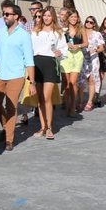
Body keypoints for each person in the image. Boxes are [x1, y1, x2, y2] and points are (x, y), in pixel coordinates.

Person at [0, 3, 36, 152]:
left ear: (16, 16)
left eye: (7, 14)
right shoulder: (1, 32)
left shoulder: (24, 35)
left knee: (11, 106)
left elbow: (29, 60)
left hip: (16, 76)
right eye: (4, 14)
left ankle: (9, 139)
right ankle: (6, 127)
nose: (4, 16)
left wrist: (32, 82)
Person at [30, 7, 67, 140]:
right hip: (37, 63)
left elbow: (64, 49)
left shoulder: (58, 32)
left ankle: (50, 127)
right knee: (40, 99)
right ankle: (42, 127)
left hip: (50, 64)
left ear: (53, 17)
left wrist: (60, 53)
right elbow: (30, 49)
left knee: (47, 97)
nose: (45, 18)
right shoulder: (35, 31)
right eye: (43, 15)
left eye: (48, 15)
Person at [61, 9, 86, 117]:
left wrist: (78, 46)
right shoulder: (63, 30)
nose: (73, 19)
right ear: (68, 18)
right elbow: (58, 42)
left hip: (77, 56)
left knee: (73, 82)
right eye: (71, 17)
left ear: (78, 18)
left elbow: (86, 43)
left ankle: (72, 106)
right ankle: (67, 104)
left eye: (75, 17)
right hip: (66, 56)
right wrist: (66, 44)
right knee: (66, 84)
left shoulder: (81, 29)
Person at [78, 16, 104, 112]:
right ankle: (80, 102)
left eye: (91, 22)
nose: (88, 23)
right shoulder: (81, 32)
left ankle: (89, 102)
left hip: (93, 58)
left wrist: (96, 50)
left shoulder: (97, 34)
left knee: (91, 80)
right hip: (82, 58)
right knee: (81, 81)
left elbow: (102, 48)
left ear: (94, 24)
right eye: (87, 21)